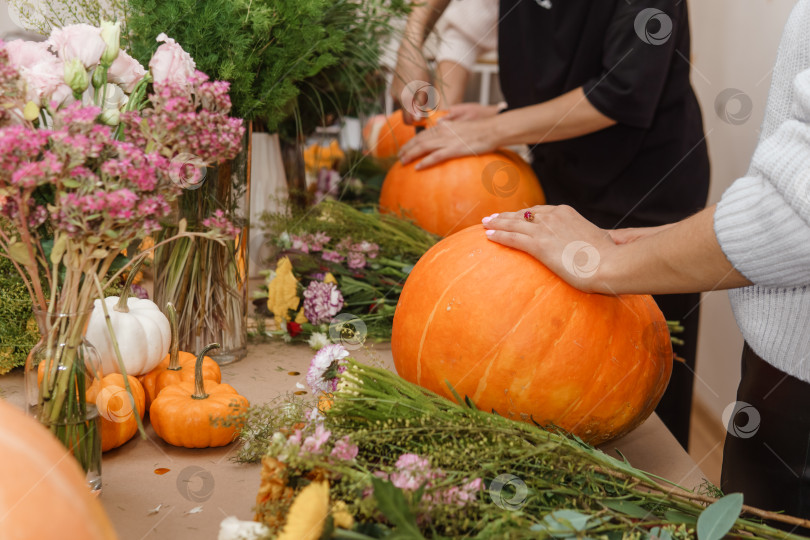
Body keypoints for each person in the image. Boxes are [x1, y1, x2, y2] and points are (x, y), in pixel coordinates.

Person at [479, 0, 810, 524]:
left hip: (648, 190)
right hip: (780, 357)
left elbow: (797, 209)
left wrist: (604, 262)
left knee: (647, 394)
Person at [392, 0, 709, 449]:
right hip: (561, 170)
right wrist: (449, 105)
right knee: (552, 344)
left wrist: (493, 131)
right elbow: (468, 21)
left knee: (640, 373)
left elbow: (621, 89)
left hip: (645, 190)